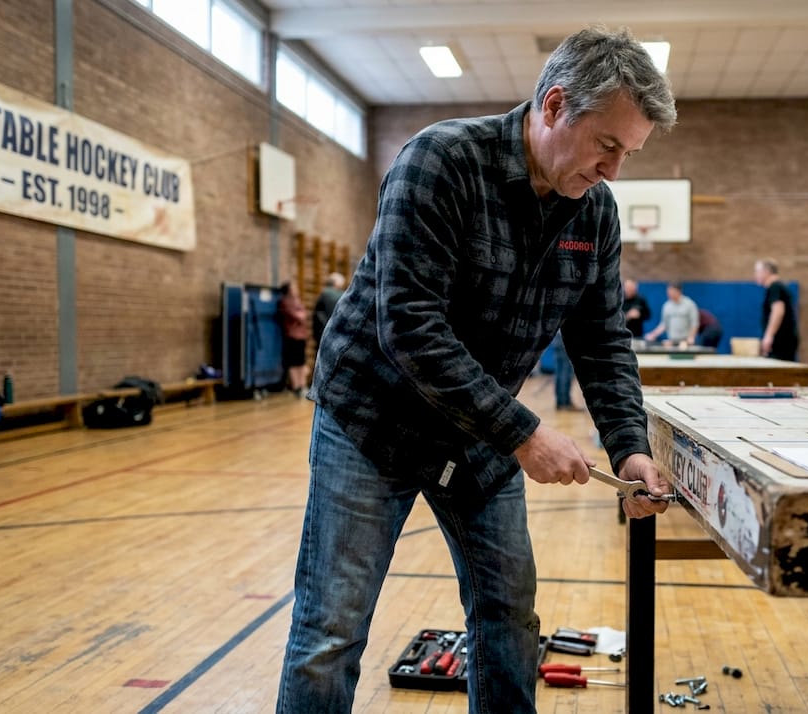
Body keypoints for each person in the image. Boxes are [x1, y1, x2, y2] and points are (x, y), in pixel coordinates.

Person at [276, 27, 676, 714]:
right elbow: (409, 324)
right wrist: (524, 433)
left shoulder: (596, 216)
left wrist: (630, 448)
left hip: (478, 435)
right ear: (554, 107)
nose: (614, 170)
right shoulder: (441, 161)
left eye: (628, 154)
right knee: (330, 632)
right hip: (373, 426)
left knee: (508, 618)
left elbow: (604, 341)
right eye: (608, 146)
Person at [755, 259, 798, 361]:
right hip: (783, 341)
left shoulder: (775, 287)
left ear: (767, 271)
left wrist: (768, 336)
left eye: (757, 272)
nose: (755, 275)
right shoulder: (778, 287)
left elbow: (778, 311)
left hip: (781, 342)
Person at [277, 281, 309, 397]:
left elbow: (303, 314)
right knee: (293, 362)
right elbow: (297, 315)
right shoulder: (285, 301)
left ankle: (303, 386)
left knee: (301, 362)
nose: (295, 288)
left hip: (301, 335)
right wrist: (300, 315)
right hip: (292, 335)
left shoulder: (298, 301)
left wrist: (301, 315)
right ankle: (296, 387)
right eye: (293, 287)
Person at [311, 272, 347, 345]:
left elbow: (317, 315)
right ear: (337, 284)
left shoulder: (324, 294)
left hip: (323, 332)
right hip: (337, 333)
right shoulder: (342, 296)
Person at [550, 330, 579, 411]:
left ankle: (560, 402)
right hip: (566, 337)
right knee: (566, 372)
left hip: (557, 336)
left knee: (560, 370)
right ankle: (565, 403)